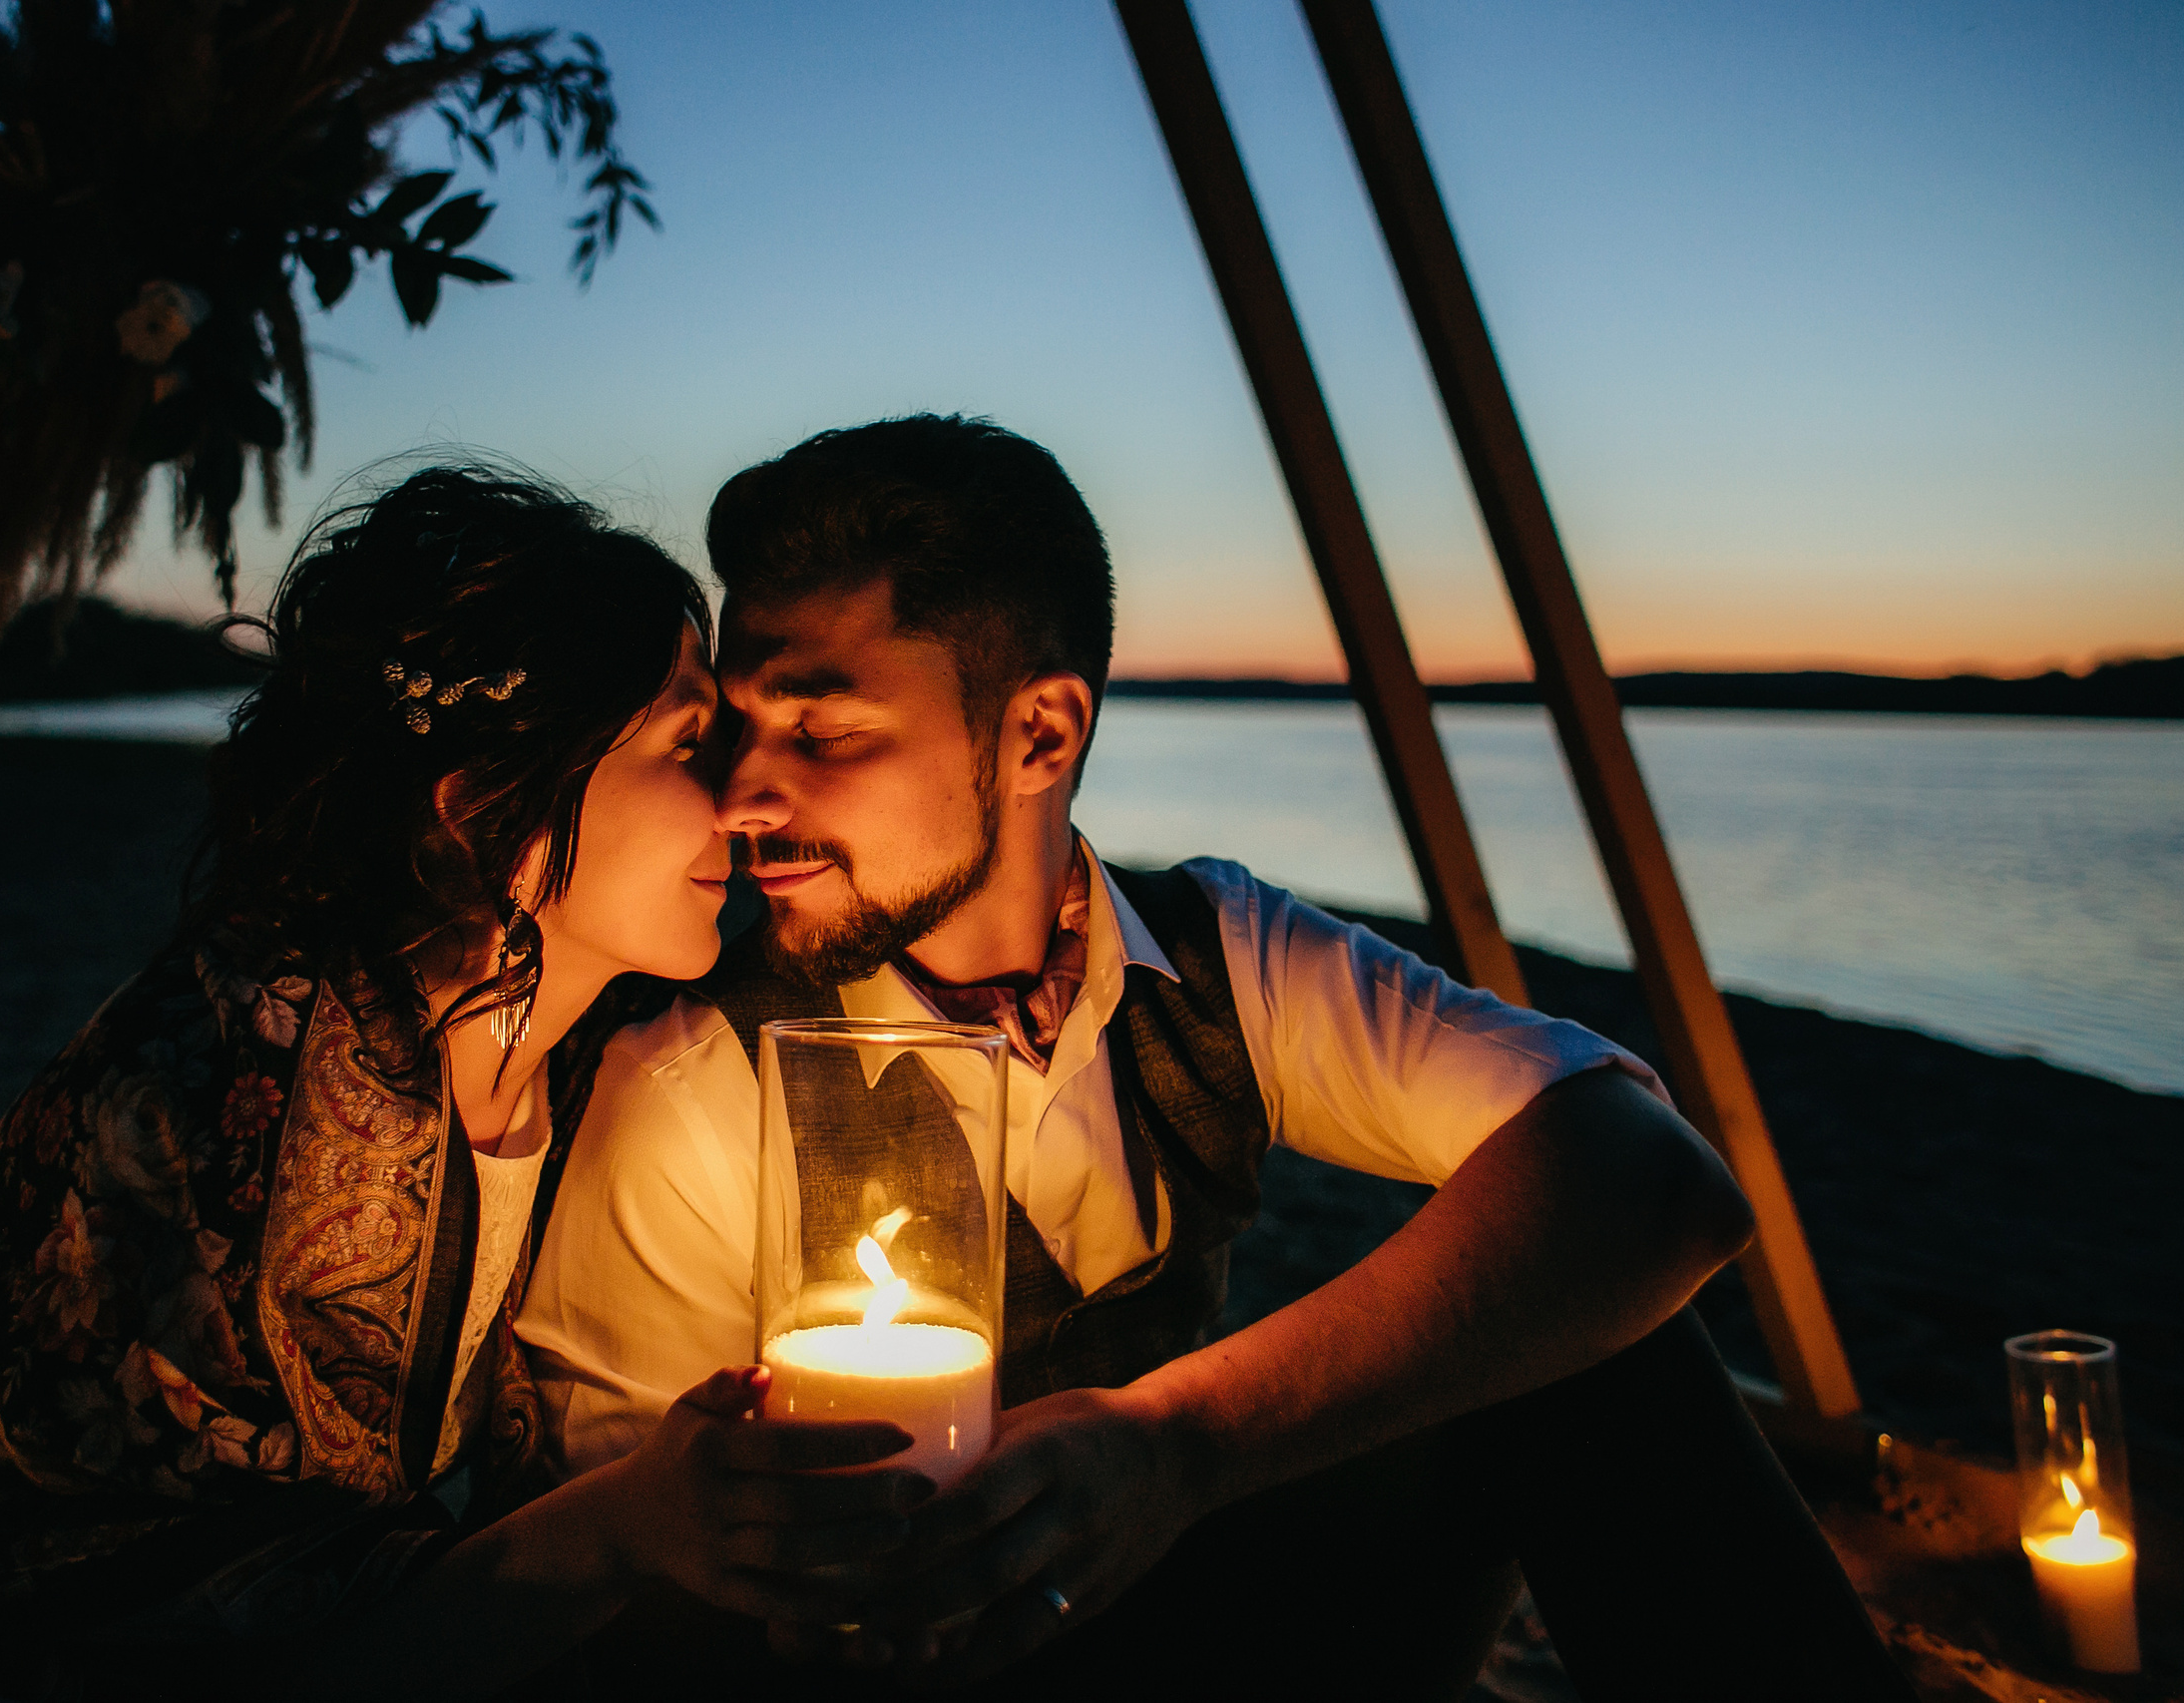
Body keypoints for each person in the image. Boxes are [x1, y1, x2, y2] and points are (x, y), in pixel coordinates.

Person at [516, 417, 1916, 1698]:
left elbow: (1655, 1182)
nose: (747, 800)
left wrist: (1174, 1444)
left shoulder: (1218, 960)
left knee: (1604, 1354)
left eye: (821, 730)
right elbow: (626, 1615)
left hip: (1204, 1617)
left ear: (1040, 733)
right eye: (740, 734)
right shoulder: (699, 1088)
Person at [0, 465, 931, 1702]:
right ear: (487, 818)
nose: (744, 798)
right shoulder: (243, 1114)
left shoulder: (590, 1039)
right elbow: (258, 1655)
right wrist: (629, 1526)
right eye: (687, 744)